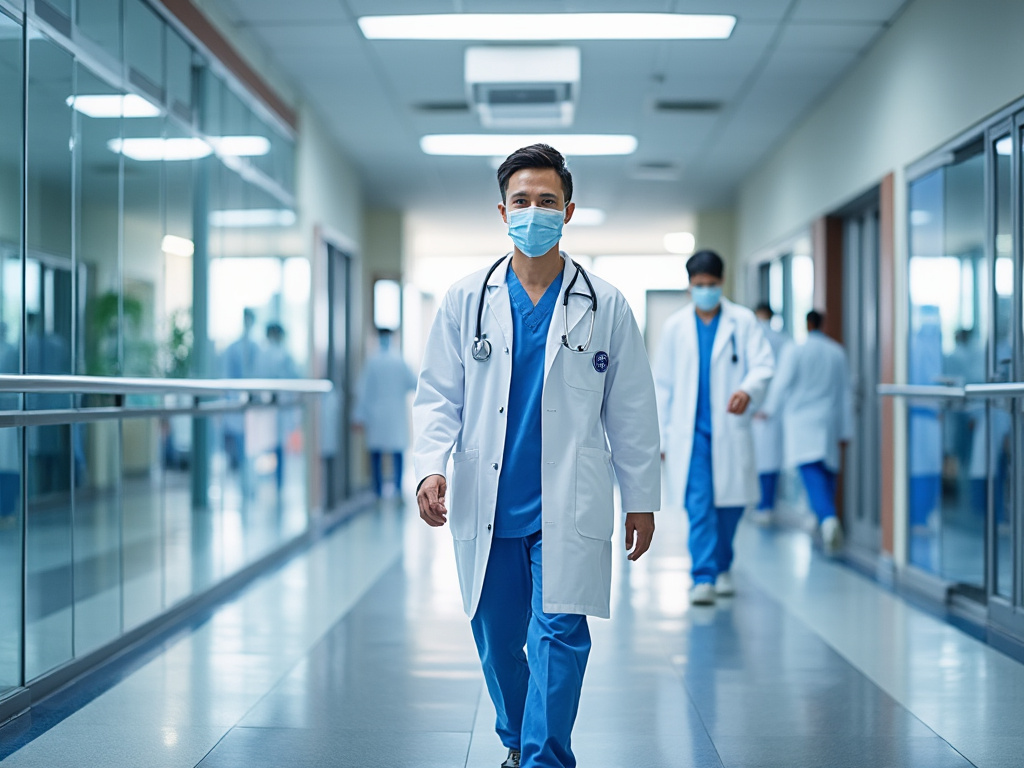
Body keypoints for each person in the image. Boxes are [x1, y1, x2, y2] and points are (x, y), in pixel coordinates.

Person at [413, 143, 661, 768]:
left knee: (558, 637)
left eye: (546, 201)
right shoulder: (466, 299)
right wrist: (430, 467)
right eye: (521, 201)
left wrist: (642, 500)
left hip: (567, 504)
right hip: (488, 498)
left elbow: (631, 410)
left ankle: (545, 758)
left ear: (568, 211)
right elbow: (438, 394)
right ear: (502, 211)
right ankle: (519, 745)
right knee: (496, 638)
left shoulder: (606, 305)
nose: (533, 212)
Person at [653, 251, 774, 606]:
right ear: (689, 287)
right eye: (699, 286)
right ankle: (703, 575)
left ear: (722, 284)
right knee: (700, 503)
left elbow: (763, 365)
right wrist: (660, 434)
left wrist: (747, 390)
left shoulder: (743, 321)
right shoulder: (676, 327)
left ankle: (722, 566)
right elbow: (663, 384)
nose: (705, 290)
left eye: (711, 285)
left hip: (729, 428)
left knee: (730, 506)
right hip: (690, 435)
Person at [762, 310, 853, 554]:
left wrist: (768, 410)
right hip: (829, 420)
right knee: (826, 471)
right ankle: (822, 518)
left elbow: (780, 384)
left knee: (810, 471)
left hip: (802, 422)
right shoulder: (837, 352)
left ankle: (827, 518)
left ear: (807, 324)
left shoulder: (795, 350)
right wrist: (846, 430)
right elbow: (846, 393)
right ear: (822, 325)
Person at [353, 328, 417, 498]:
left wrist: (358, 416)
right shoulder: (399, 361)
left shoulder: (372, 362)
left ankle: (378, 490)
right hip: (394, 415)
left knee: (377, 452)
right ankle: (397, 489)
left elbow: (362, 391)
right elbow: (415, 383)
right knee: (396, 452)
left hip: (377, 415)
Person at [750, 303, 791, 524]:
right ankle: (767, 504)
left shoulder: (750, 337)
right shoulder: (784, 339)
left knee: (759, 459)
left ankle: (762, 504)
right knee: (771, 460)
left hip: (753, 406)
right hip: (775, 409)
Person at [257, 322, 299, 491]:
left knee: (270, 444)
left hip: (268, 407)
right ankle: (277, 482)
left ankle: (269, 482)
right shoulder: (284, 355)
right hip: (277, 407)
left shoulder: (263, 355)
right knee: (276, 446)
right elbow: (294, 378)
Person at [221, 308, 260, 472]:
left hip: (252, 402)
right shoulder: (233, 348)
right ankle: (243, 476)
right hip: (236, 402)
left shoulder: (256, 348)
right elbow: (227, 374)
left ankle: (249, 480)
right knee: (239, 442)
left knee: (252, 445)